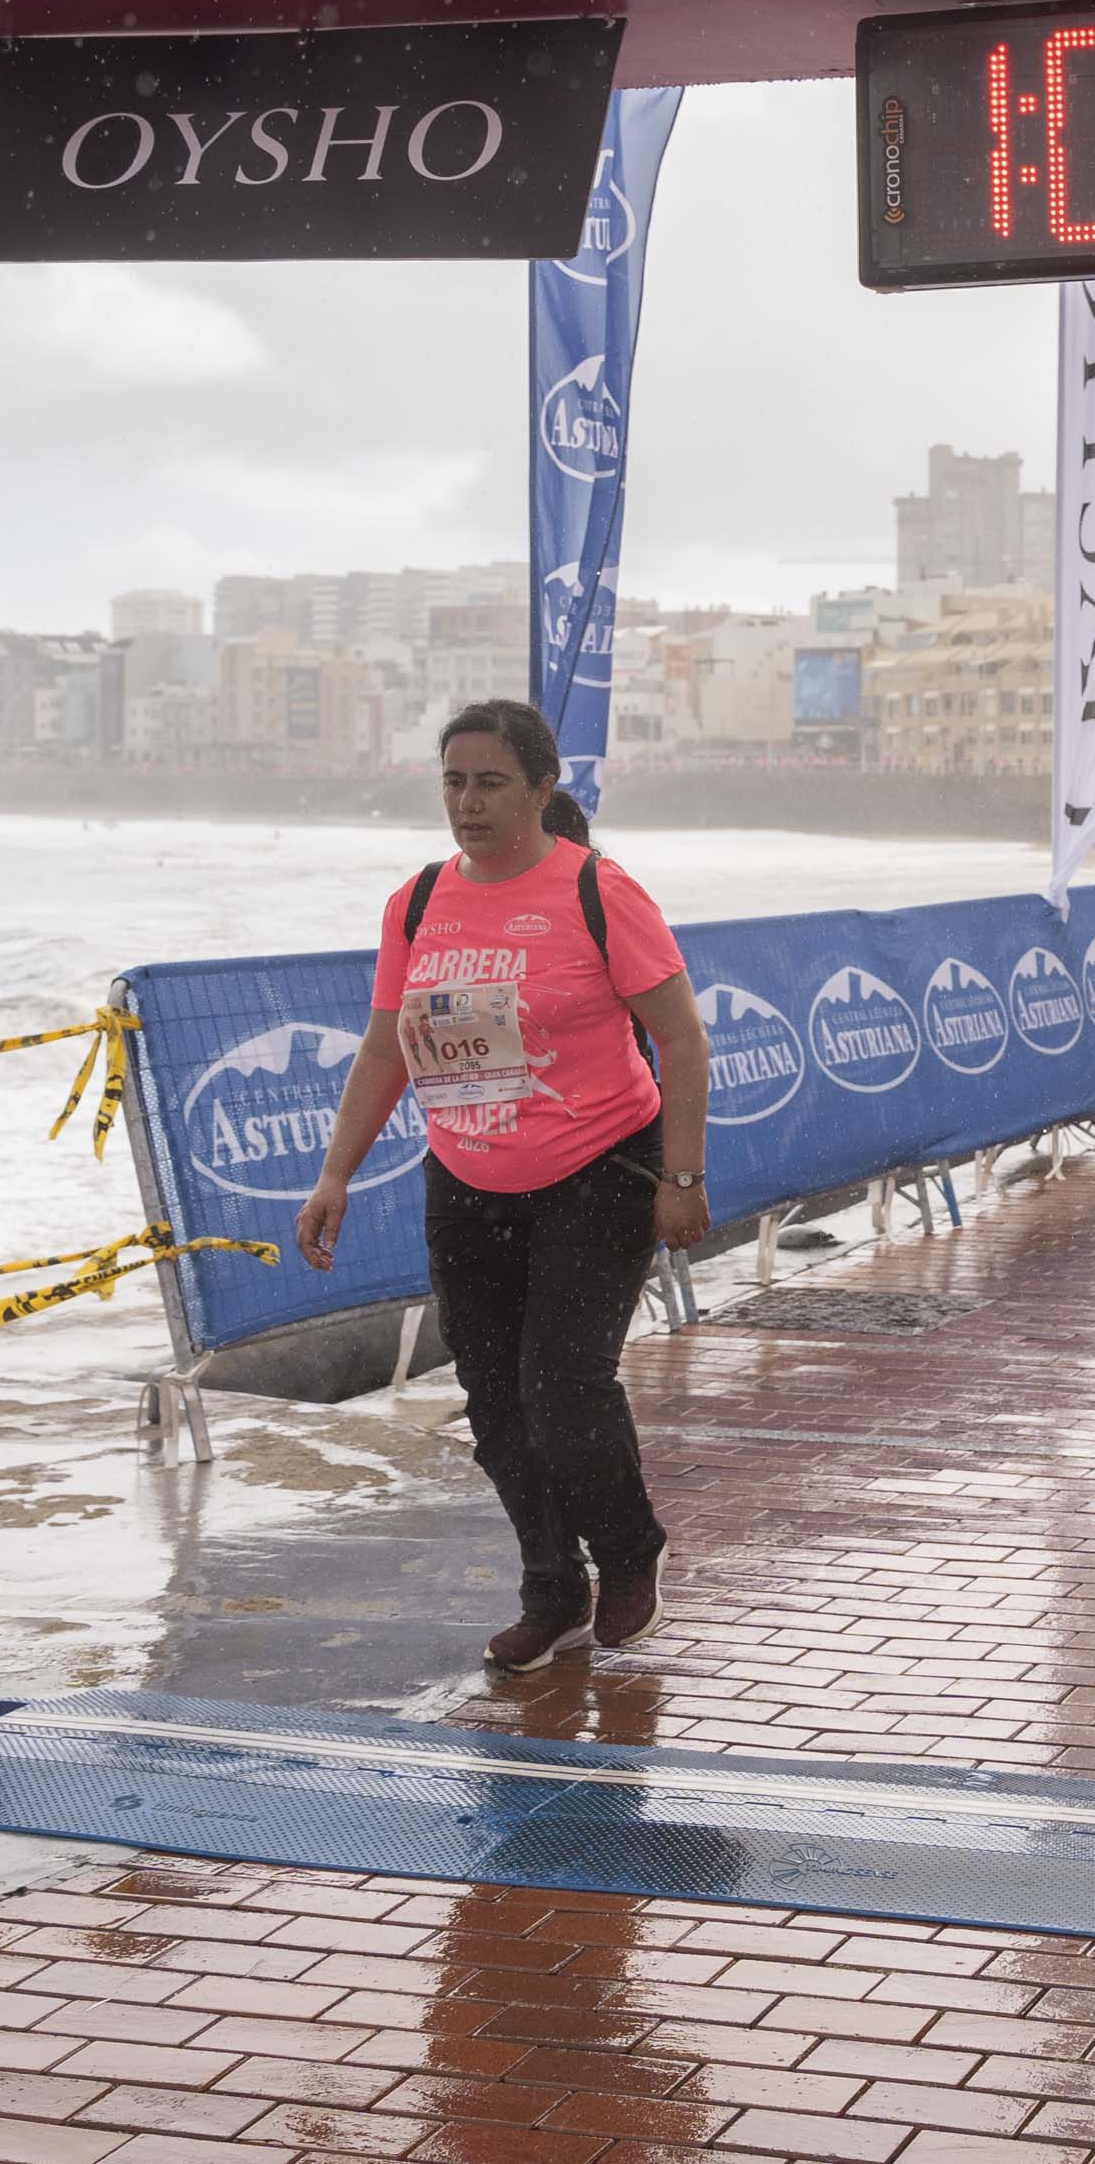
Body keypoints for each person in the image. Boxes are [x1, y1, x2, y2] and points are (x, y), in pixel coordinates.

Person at [300, 701, 717, 1675]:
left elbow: (683, 1042)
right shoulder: (416, 903)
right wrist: (335, 1172)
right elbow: (383, 1047)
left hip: (599, 1169)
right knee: (494, 1400)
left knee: (563, 1388)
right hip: (468, 1176)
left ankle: (626, 1550)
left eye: (490, 782)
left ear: (540, 788)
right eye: (453, 781)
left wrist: (680, 1175)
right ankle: (551, 1589)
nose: (468, 802)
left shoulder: (598, 893)